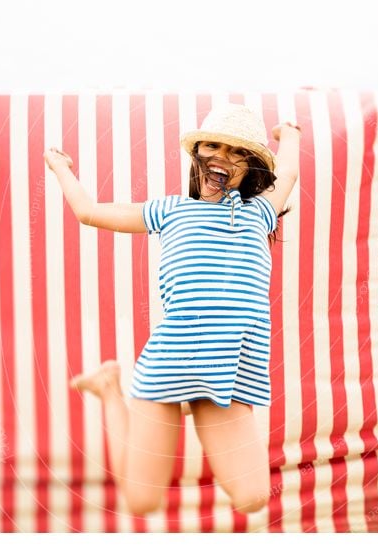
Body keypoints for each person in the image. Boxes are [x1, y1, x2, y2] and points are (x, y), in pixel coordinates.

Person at [43, 103, 300, 516]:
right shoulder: (168, 211)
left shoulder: (260, 211)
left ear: (250, 168)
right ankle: (109, 387)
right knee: (142, 502)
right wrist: (59, 168)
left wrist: (289, 136)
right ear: (198, 154)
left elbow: (287, 173)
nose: (222, 156)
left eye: (237, 152)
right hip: (171, 363)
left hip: (229, 373)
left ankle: (136, 393)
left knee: (252, 497)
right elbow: (89, 212)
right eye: (214, 146)